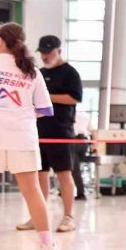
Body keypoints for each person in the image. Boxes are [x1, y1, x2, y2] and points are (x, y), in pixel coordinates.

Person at [0, 23, 61, 250]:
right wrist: (20, 113)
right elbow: (44, 109)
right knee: (32, 191)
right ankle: (47, 248)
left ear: (0, 40)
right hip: (22, 135)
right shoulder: (32, 70)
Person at [16, 35, 82, 234]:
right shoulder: (38, 73)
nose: (45, 56)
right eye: (42, 52)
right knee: (40, 175)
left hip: (61, 132)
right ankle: (38, 217)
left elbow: (74, 98)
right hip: (38, 131)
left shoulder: (70, 73)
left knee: (64, 174)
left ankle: (68, 217)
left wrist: (46, 97)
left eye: (49, 52)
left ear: (59, 51)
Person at [71, 109, 92, 200]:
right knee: (75, 167)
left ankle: (81, 193)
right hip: (84, 143)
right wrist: (94, 145)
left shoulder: (70, 114)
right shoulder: (85, 114)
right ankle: (65, 190)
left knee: (73, 168)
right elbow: (93, 130)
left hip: (73, 141)